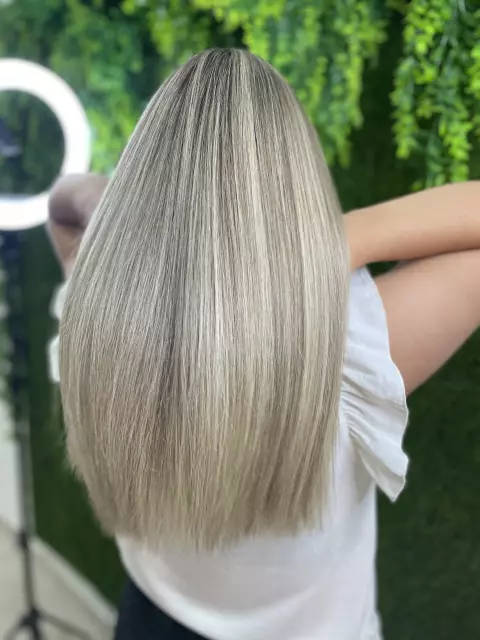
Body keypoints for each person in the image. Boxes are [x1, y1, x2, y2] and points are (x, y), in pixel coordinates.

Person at [47, 49, 480, 640]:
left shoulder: (97, 314)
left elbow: (64, 202)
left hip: (150, 616)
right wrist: (328, 244)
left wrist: (123, 228)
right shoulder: (346, 347)